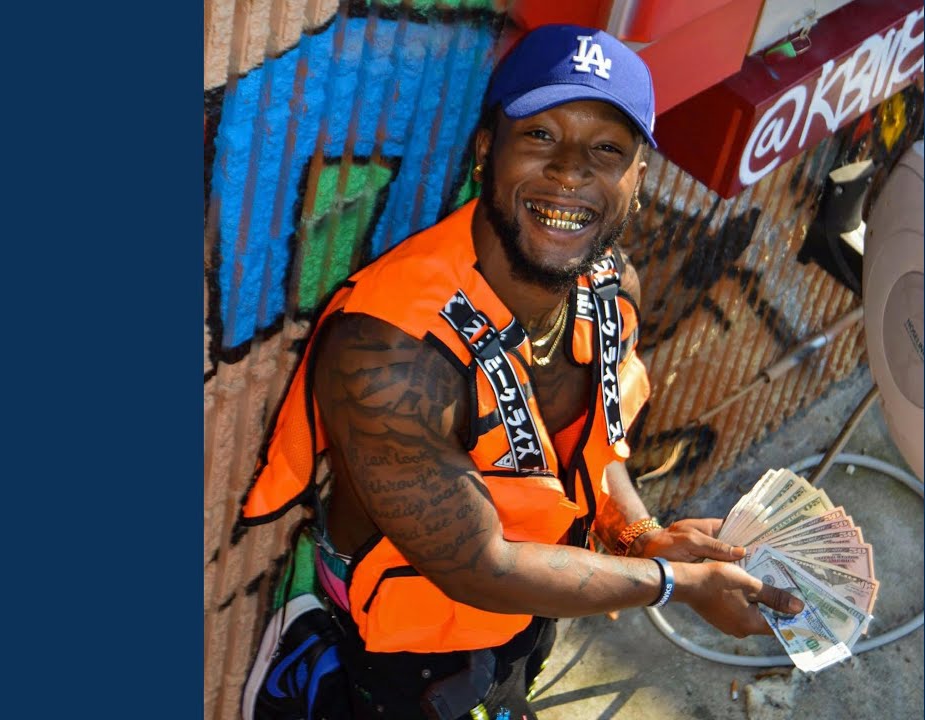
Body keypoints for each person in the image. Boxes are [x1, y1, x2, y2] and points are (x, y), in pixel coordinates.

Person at [239, 23, 804, 720]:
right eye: (540, 136)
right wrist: (670, 582)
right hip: (402, 651)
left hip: (529, 614)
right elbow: (482, 566)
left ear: (637, 180)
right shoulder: (390, 351)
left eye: (606, 149)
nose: (570, 171)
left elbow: (590, 451)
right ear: (487, 152)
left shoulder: (610, 290)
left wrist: (639, 536)